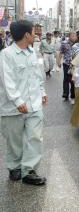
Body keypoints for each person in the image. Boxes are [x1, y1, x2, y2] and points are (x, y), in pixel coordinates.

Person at [0, 20, 48, 185]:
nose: (36, 34)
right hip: (14, 107)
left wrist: (42, 92)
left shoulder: (32, 52)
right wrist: (18, 101)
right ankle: (14, 167)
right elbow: (8, 81)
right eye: (34, 32)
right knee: (14, 140)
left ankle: (29, 171)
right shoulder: (6, 54)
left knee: (35, 137)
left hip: (34, 104)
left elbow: (37, 75)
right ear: (27, 35)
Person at [58, 32, 77, 102]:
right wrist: (58, 61)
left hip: (74, 65)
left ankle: (73, 95)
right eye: (73, 36)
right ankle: (65, 94)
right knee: (66, 79)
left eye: (75, 36)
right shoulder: (64, 43)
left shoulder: (77, 44)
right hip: (66, 64)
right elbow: (60, 53)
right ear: (69, 36)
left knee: (73, 80)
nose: (74, 37)